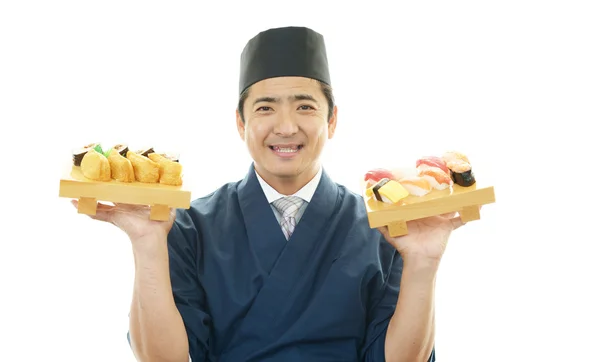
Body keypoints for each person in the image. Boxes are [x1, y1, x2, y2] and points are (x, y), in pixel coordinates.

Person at [73, 26, 470, 362]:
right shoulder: (187, 226)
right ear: (239, 122)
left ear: (332, 120)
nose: (285, 127)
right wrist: (146, 243)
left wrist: (423, 263)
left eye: (304, 107)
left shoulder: (386, 228)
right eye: (265, 108)